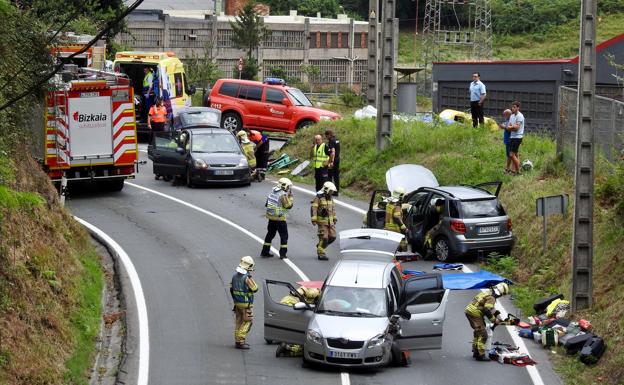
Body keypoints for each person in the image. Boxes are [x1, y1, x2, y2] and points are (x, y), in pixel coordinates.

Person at [464, 282, 510, 361]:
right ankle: (480, 356)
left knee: (478, 331)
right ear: (500, 292)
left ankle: (475, 352)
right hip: (475, 313)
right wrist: (494, 319)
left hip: (470, 310)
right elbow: (486, 309)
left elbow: (490, 308)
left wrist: (498, 316)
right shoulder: (492, 298)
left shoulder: (488, 292)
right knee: (483, 334)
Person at [275, 287, 320, 357]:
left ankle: (287, 346)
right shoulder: (307, 302)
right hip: (300, 322)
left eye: (312, 299)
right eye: (309, 298)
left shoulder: (296, 297)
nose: (310, 300)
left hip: (283, 316)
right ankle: (288, 348)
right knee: (303, 348)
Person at [261, 178, 294, 259]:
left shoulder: (272, 191)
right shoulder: (283, 194)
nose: (288, 188)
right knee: (284, 236)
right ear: (283, 185)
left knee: (270, 234)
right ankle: (283, 254)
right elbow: (288, 206)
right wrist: (291, 198)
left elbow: (267, 204)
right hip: (280, 219)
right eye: (287, 187)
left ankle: (265, 252)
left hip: (271, 218)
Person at [230, 256, 258, 349]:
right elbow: (255, 288)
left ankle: (237, 341)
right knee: (247, 322)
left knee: (239, 321)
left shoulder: (234, 276)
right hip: (246, 305)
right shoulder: (247, 278)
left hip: (237, 303)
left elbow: (231, 288)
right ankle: (241, 341)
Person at [311, 181, 337, 260]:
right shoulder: (318, 198)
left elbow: (333, 209)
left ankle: (320, 246)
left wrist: (335, 218)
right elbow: (314, 209)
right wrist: (314, 219)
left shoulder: (330, 199)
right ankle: (321, 253)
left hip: (330, 222)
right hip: (322, 222)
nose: (332, 192)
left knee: (332, 237)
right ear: (326, 190)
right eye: (331, 191)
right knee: (324, 237)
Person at [384, 187, 408, 252]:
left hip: (388, 227)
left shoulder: (389, 202)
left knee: (391, 245)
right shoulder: (397, 205)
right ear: (400, 195)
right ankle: (402, 253)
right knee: (402, 243)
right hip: (395, 228)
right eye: (402, 195)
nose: (403, 197)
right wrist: (403, 227)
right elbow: (396, 217)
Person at [507, 101, 525, 175]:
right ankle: (514, 171)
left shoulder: (520, 116)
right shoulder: (512, 116)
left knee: (511, 155)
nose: (513, 108)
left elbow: (517, 128)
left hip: (517, 137)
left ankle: (518, 172)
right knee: (515, 154)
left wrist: (511, 127)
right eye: (512, 107)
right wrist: (512, 127)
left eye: (514, 107)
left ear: (518, 108)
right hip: (512, 136)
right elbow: (509, 127)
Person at [325, 129, 340, 196]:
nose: (326, 138)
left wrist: (331, 162)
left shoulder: (331, 141)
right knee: (336, 176)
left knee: (330, 175)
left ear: (328, 135)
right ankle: (336, 191)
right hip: (337, 159)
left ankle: (330, 190)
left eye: (326, 136)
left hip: (333, 160)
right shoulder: (336, 139)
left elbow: (333, 152)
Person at [499, 109, 512, 173]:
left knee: (510, 155)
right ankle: (511, 168)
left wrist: (504, 127)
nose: (504, 116)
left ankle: (508, 169)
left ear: (508, 114)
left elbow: (510, 130)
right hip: (507, 140)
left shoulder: (511, 121)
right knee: (510, 155)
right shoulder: (507, 120)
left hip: (509, 140)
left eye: (504, 115)